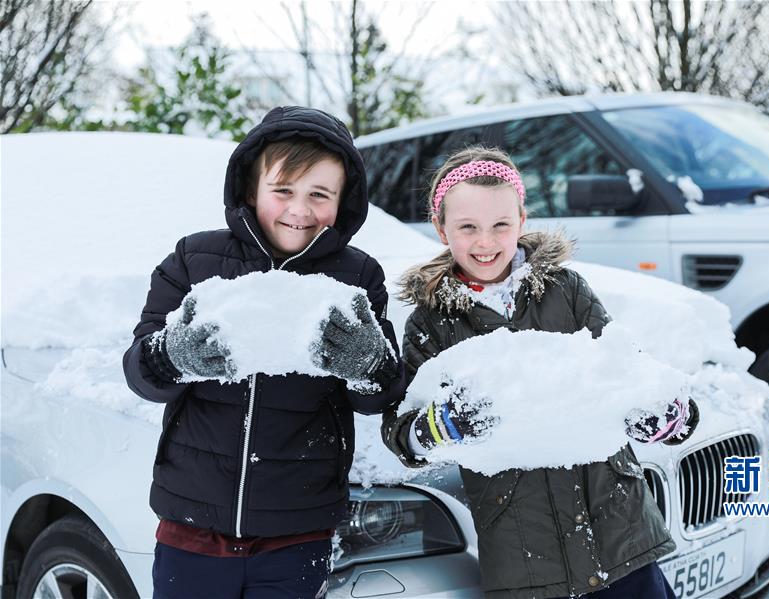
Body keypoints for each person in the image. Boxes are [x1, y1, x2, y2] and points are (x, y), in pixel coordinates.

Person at [381, 146, 698, 598]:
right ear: (440, 227)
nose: (486, 242)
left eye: (500, 225)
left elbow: (629, 371)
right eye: (467, 227)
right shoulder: (431, 322)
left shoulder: (565, 291)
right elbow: (401, 432)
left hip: (618, 532)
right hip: (526, 554)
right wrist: (441, 424)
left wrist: (666, 415)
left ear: (522, 221)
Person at [123, 106, 405, 599]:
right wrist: (172, 356)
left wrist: (369, 365)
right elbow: (140, 372)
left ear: (343, 202)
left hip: (298, 528)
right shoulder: (195, 259)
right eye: (283, 191)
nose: (300, 210)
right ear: (251, 190)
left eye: (319, 195)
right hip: (192, 520)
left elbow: (379, 395)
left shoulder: (357, 276)